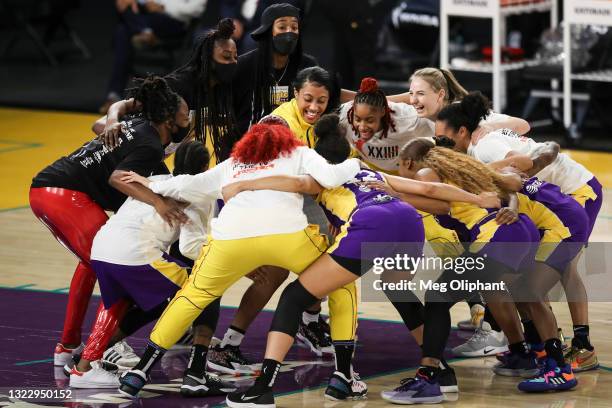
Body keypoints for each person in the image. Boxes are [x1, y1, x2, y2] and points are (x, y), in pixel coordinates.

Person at [225, 116, 501, 406]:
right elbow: (428, 191)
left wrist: (245, 185)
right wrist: (478, 199)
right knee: (395, 287)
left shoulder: (320, 177)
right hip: (408, 221)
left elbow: (293, 181)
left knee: (294, 296)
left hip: (371, 223)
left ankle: (262, 387)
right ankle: (438, 371)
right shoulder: (365, 170)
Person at [116, 123, 363, 397]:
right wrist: (356, 162)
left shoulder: (234, 163)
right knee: (341, 282)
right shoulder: (299, 152)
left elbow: (189, 183)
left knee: (193, 295)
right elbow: (330, 176)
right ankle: (343, 375)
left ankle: (139, 371)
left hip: (230, 239)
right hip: (287, 237)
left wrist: (149, 182)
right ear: (287, 138)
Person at [29, 76, 191, 368]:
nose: (189, 118)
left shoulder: (139, 128)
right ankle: (97, 352)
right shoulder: (150, 145)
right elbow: (117, 178)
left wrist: (114, 117)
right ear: (169, 119)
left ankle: (69, 345)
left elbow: (99, 126)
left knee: (93, 263)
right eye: (185, 114)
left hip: (47, 189)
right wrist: (159, 203)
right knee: (115, 268)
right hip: (66, 195)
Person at [438, 91, 602, 374]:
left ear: (462, 130)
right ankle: (548, 341)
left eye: (443, 139)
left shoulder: (483, 148)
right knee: (532, 276)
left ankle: (582, 346)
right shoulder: (481, 130)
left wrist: (495, 174)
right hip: (546, 199)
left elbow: (522, 165)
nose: (441, 145)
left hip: (573, 192)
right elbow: (524, 128)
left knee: (562, 270)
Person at [378, 139, 550, 404]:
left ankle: (430, 378)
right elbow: (507, 190)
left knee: (436, 297)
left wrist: (393, 192)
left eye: (400, 166)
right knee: (495, 291)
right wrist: (512, 209)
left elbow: (436, 199)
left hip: (497, 238)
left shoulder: (425, 174)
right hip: (520, 231)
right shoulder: (462, 169)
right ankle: (522, 353)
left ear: (409, 162)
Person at [68, 141, 235, 397]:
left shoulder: (155, 179)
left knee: (154, 304)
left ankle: (86, 359)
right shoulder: (198, 193)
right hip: (135, 254)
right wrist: (230, 256)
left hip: (102, 249)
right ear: (205, 167)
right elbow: (191, 248)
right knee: (206, 285)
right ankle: (196, 373)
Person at [103, 18, 239, 164]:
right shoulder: (177, 85)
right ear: (206, 59)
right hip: (126, 154)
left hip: (154, 157)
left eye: (235, 57)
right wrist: (111, 121)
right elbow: (107, 118)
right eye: (226, 57)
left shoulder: (219, 89)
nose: (233, 62)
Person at [100, 0, 207, 113]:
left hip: (173, 22)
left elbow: (196, 9)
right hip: (148, 15)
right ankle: (145, 31)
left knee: (123, 30)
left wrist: (163, 7)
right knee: (124, 16)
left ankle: (114, 96)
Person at [233, 2, 318, 135]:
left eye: (294, 27)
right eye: (282, 27)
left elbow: (326, 92)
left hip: (293, 145)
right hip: (248, 143)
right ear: (268, 31)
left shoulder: (307, 66)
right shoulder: (244, 66)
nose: (289, 32)